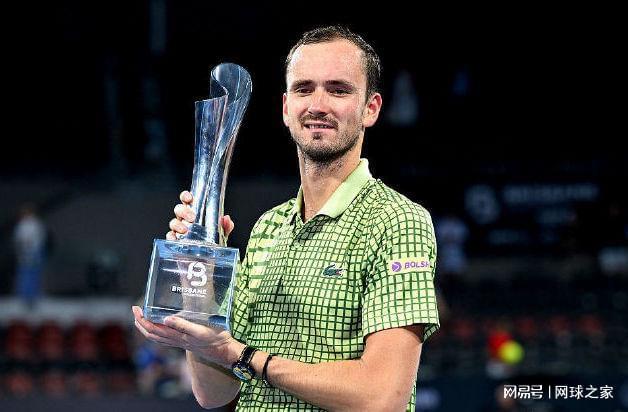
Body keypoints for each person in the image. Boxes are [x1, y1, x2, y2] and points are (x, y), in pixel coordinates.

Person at [133, 25, 440, 411]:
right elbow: (215, 393)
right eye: (304, 89)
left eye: (338, 90)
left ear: (371, 108)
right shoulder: (268, 227)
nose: (318, 105)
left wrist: (244, 356)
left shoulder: (397, 221)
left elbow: (383, 397)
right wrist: (202, 283)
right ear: (285, 107)